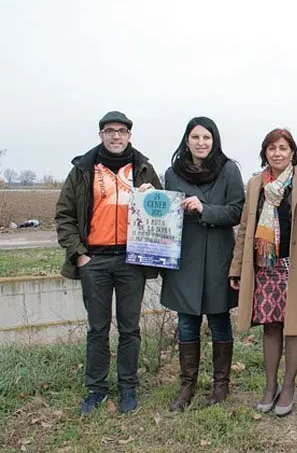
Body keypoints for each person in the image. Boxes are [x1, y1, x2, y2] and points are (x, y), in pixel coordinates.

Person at [55, 111, 162, 415]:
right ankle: (96, 389)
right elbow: (64, 215)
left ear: (130, 135)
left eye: (122, 131)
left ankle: (128, 387)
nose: (116, 136)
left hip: (131, 260)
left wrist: (154, 196)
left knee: (130, 328)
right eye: (110, 130)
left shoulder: (143, 169)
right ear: (101, 134)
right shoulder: (83, 169)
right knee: (97, 329)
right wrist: (80, 255)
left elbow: (162, 208)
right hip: (96, 260)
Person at [229, 128, 297, 417]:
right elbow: (245, 227)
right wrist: (236, 269)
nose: (277, 153)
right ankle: (270, 386)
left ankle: (289, 386)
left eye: (283, 148)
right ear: (264, 153)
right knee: (271, 326)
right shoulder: (256, 183)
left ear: (292, 151)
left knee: (296, 327)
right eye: (271, 148)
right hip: (266, 266)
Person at [160, 117, 245, 411]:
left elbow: (237, 211)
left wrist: (204, 208)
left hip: (219, 255)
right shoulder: (172, 173)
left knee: (219, 318)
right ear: (187, 141)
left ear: (214, 140)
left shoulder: (228, 170)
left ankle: (221, 385)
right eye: (195, 137)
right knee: (186, 321)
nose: (201, 143)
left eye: (206, 137)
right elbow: (166, 209)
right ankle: (187, 386)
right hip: (185, 256)